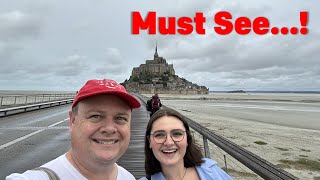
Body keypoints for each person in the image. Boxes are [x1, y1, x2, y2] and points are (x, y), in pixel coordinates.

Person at [6, 79, 141, 180]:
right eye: (96, 116)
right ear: (72, 121)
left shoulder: (128, 177)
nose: (109, 129)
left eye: (120, 118)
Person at [140, 107, 232, 180]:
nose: (168, 142)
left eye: (177, 134)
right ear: (149, 141)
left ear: (187, 139)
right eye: (159, 135)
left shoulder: (211, 171)